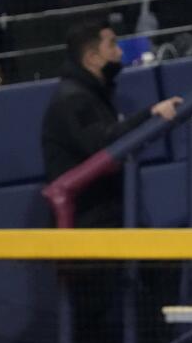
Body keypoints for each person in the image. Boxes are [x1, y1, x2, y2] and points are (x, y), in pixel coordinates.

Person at [41, 17, 181, 227]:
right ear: (92, 57)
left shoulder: (89, 93)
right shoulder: (74, 100)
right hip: (89, 223)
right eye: (112, 45)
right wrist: (151, 113)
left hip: (103, 213)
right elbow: (103, 144)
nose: (120, 52)